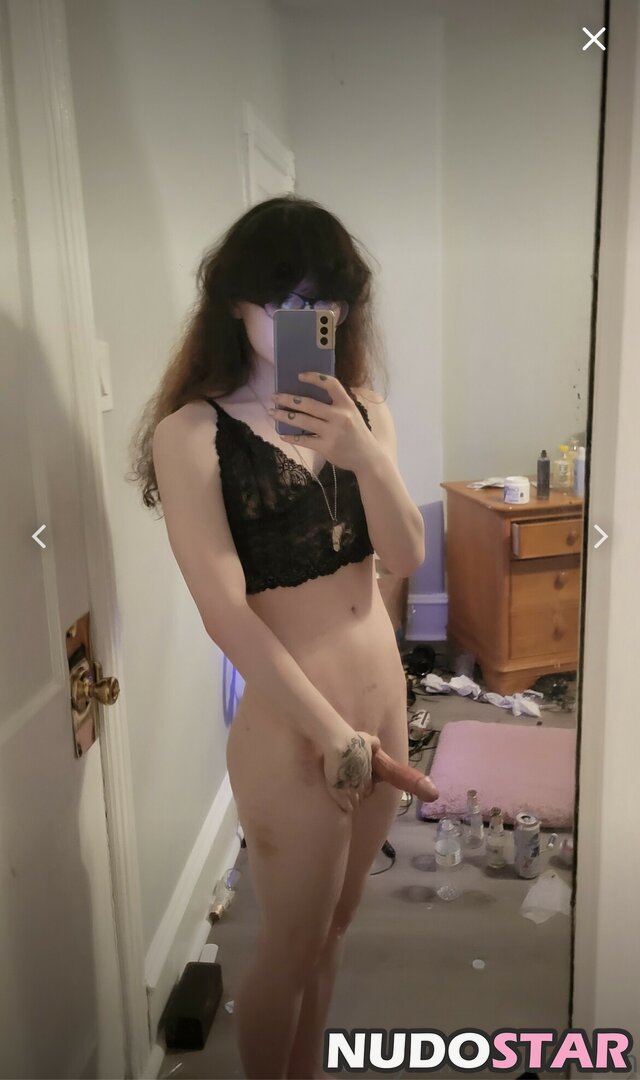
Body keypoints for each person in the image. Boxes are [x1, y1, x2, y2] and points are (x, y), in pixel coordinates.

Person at [130, 194, 426, 1079]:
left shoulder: (364, 410)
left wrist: (365, 454)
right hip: (297, 728)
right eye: (292, 302)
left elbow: (405, 557)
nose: (315, 319)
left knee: (335, 929)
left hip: (383, 698)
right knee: (289, 950)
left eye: (330, 301)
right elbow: (226, 614)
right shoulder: (192, 434)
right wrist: (333, 735)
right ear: (235, 303)